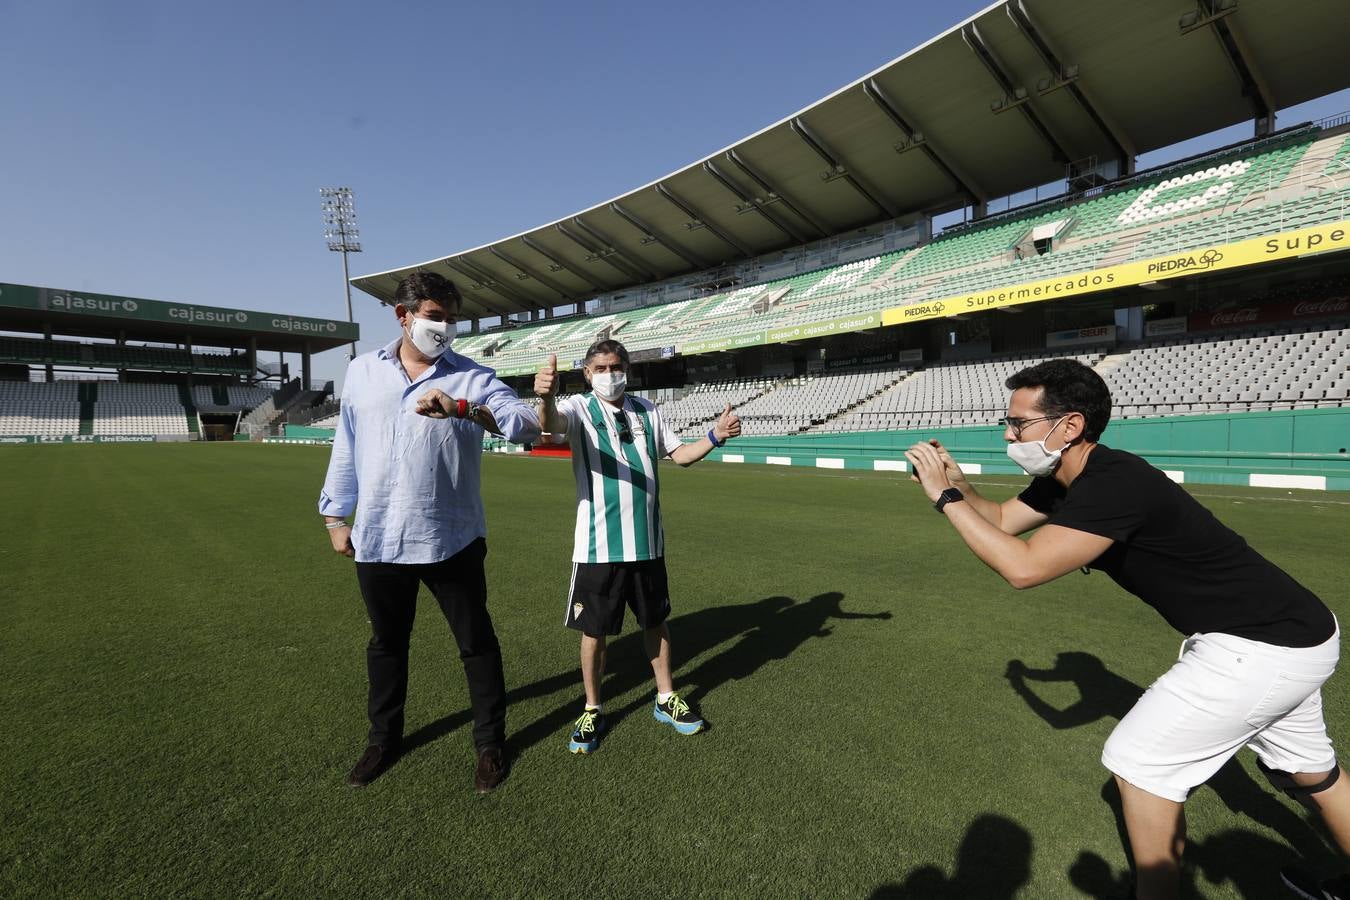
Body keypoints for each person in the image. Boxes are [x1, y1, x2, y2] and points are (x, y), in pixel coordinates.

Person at [903, 358, 1348, 900]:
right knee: (1310, 775)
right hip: (1297, 631)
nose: (1008, 433)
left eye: (1019, 423)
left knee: (1139, 765)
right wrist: (959, 485)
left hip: (1259, 646)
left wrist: (944, 499)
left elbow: (1023, 567)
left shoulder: (1115, 482)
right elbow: (997, 521)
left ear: (1069, 427)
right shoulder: (1065, 478)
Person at [319, 271, 540, 792]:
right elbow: (346, 446)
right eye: (435, 317)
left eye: (450, 319)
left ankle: (489, 744)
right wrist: (335, 515)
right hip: (378, 536)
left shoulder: (474, 376)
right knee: (387, 645)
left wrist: (461, 407)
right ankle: (383, 740)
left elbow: (524, 425)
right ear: (404, 316)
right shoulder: (361, 373)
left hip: (451, 538)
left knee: (476, 645)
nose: (444, 327)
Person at [533, 339, 740, 753]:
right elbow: (552, 424)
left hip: (647, 542)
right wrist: (546, 397)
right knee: (594, 632)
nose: (611, 374)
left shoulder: (647, 410)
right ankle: (592, 708)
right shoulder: (577, 407)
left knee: (655, 622)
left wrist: (715, 436)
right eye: (602, 368)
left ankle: (666, 697)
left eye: (617, 366)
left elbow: (680, 455)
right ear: (588, 374)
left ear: (626, 369)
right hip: (597, 547)